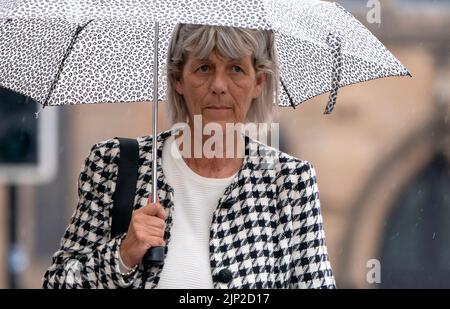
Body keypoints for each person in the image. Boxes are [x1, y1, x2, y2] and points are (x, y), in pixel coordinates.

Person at [42, 23, 336, 289]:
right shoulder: (115, 165)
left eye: (236, 69)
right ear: (177, 80)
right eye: (204, 68)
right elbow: (57, 283)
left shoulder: (290, 182)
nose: (219, 86)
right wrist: (122, 255)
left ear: (258, 82)